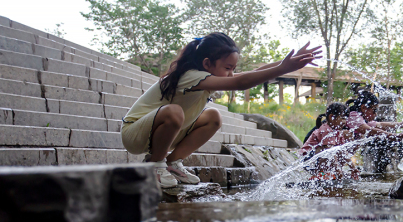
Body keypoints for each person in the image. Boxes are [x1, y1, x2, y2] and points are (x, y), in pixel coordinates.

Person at [121, 34, 321, 187]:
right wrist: (283, 68)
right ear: (207, 63)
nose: (231, 73)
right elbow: (241, 82)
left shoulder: (206, 77)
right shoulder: (190, 75)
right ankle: (155, 165)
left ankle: (172, 162)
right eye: (228, 68)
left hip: (163, 131)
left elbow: (248, 75)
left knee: (213, 117)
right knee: (174, 112)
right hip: (135, 133)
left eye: (233, 68)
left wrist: (288, 62)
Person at [345, 90, 403, 173]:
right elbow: (369, 130)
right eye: (374, 110)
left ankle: (327, 175)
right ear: (363, 108)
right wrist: (394, 136)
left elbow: (380, 124)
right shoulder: (353, 116)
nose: (376, 114)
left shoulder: (362, 119)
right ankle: (325, 174)